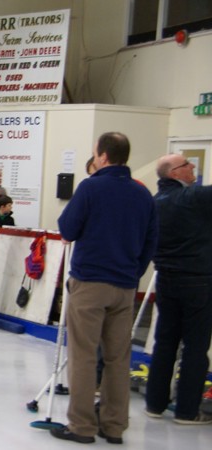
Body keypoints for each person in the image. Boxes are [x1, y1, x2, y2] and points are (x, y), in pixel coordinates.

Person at [53, 132, 157, 444]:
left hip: (91, 282)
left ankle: (81, 426)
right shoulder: (143, 195)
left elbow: (68, 229)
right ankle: (113, 425)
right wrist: (132, 273)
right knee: (118, 357)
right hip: (125, 285)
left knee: (84, 354)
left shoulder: (91, 187)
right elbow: (151, 243)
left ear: (102, 156)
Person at [145, 154, 212, 425]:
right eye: (187, 164)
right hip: (198, 281)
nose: (193, 167)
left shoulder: (153, 203)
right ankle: (187, 410)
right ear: (174, 172)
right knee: (195, 347)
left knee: (165, 343)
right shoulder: (192, 198)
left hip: (166, 280)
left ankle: (155, 403)